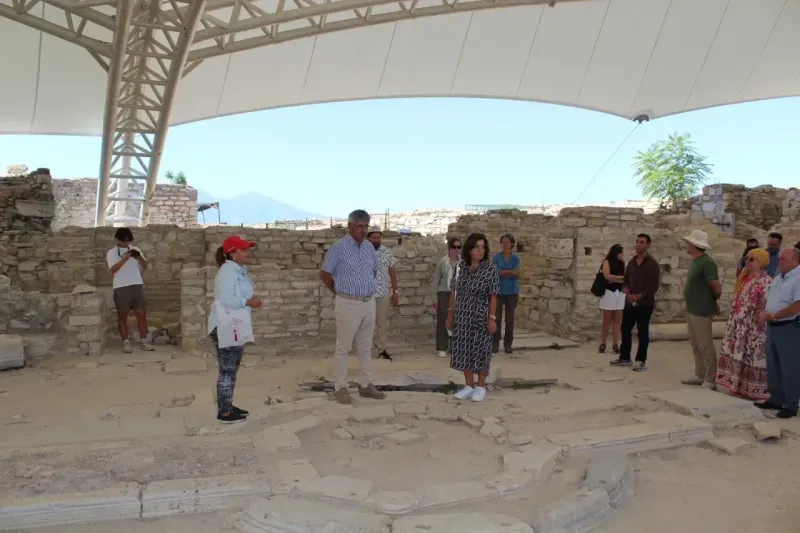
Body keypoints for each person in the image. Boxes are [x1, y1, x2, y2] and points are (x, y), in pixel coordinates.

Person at [320, 209, 386, 405]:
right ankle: (340, 386)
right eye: (359, 226)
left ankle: (365, 384)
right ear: (349, 226)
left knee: (365, 347)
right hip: (348, 302)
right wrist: (338, 291)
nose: (363, 230)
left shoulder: (368, 247)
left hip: (368, 302)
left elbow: (373, 271)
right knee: (343, 347)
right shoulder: (338, 248)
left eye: (365, 226)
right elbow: (325, 273)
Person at [208, 235, 261, 423]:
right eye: (244, 249)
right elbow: (227, 299)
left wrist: (249, 300)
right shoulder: (228, 272)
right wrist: (248, 302)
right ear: (232, 254)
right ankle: (224, 412)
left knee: (230, 369)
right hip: (226, 326)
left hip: (232, 324)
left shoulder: (237, 270)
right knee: (227, 370)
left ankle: (227, 406)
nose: (248, 252)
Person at [446, 233, 500, 403]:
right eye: (476, 247)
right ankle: (469, 385)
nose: (480, 250)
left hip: (481, 316)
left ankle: (480, 386)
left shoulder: (490, 269)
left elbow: (493, 295)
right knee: (464, 349)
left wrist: (492, 318)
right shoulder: (460, 268)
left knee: (482, 351)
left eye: (483, 247)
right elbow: (453, 291)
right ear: (469, 249)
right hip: (462, 315)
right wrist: (450, 314)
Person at [715, 248, 772, 400]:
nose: (747, 261)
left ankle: (754, 390)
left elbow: (763, 304)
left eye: (752, 259)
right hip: (739, 325)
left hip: (753, 327)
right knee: (739, 354)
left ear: (761, 262)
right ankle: (738, 386)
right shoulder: (745, 278)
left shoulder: (765, 280)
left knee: (751, 356)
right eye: (746, 258)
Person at [755, 248, 800, 419]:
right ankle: (776, 399)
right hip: (773, 326)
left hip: (790, 327)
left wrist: (774, 315)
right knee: (774, 365)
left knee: (790, 367)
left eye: (783, 259)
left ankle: (790, 404)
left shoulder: (798, 278)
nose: (779, 261)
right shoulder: (779, 277)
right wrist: (764, 312)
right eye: (780, 258)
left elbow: (797, 305)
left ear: (795, 261)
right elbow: (771, 297)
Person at [680, 230, 723, 390]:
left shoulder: (707, 263)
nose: (687, 245)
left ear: (694, 245)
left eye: (689, 243)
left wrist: (712, 302)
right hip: (692, 308)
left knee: (705, 345)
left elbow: (716, 287)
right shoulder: (696, 261)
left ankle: (710, 379)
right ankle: (700, 374)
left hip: (701, 310)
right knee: (695, 344)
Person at [610, 234, 660, 371]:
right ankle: (625, 357)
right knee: (625, 329)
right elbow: (626, 279)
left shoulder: (652, 264)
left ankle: (640, 361)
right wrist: (625, 289)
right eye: (637, 242)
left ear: (647, 245)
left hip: (645, 304)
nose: (638, 244)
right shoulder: (632, 263)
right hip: (630, 303)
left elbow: (654, 286)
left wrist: (639, 296)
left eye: (642, 242)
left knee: (642, 332)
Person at [107, 227, 155, 353]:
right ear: (117, 240)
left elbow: (145, 265)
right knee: (122, 316)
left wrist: (139, 258)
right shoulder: (112, 252)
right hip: (121, 287)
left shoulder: (135, 249)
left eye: (128, 241)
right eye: (123, 241)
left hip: (137, 285)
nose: (126, 243)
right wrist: (125, 259)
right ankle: (126, 342)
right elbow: (112, 270)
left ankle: (144, 341)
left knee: (141, 315)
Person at [367, 227, 399, 361]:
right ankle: (365, 350)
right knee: (366, 323)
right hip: (366, 294)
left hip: (382, 294)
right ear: (369, 238)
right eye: (373, 237)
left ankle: (382, 349)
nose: (376, 240)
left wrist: (395, 291)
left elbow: (392, 272)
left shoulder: (387, 252)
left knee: (381, 323)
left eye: (378, 237)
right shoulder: (362, 251)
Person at [432, 237, 461, 358]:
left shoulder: (462, 263)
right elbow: (436, 281)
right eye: (454, 247)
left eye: (458, 247)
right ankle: (442, 347)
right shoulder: (443, 262)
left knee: (457, 319)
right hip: (444, 292)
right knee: (443, 318)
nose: (456, 249)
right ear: (449, 248)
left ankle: (455, 346)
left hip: (458, 293)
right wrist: (434, 299)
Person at [492, 233, 521, 354]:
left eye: (507, 242)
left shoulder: (516, 259)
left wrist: (502, 272)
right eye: (503, 242)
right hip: (498, 291)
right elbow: (495, 272)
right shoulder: (496, 257)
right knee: (496, 318)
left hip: (512, 291)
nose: (505, 244)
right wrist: (510, 272)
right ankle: (495, 343)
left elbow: (517, 273)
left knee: (509, 319)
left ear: (512, 244)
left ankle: (508, 344)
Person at [598, 244, 626, 355]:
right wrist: (622, 278)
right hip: (609, 293)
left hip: (620, 293)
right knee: (607, 321)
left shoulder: (622, 264)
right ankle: (603, 343)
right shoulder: (607, 262)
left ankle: (615, 344)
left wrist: (616, 279)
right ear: (616, 253)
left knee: (617, 321)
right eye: (621, 253)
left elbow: (626, 279)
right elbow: (607, 276)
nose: (622, 255)